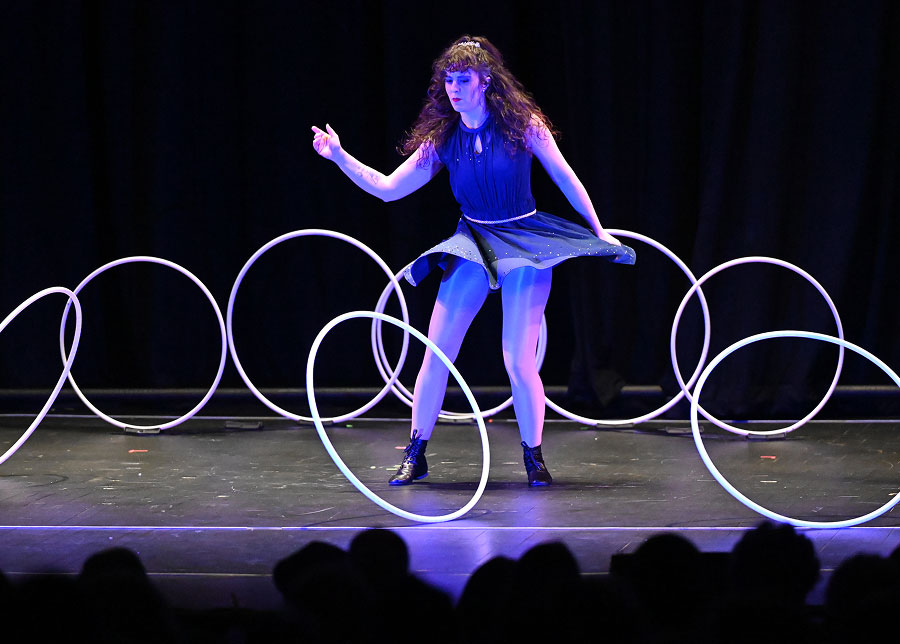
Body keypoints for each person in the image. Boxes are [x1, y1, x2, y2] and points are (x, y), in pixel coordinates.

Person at [312, 36, 634, 487]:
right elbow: (388, 189)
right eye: (448, 80)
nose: (454, 88)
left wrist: (597, 230)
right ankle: (416, 453)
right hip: (473, 242)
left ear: (485, 81)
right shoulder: (443, 139)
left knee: (518, 360)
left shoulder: (523, 126)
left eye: (463, 80)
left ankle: (534, 456)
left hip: (525, 240)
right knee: (436, 353)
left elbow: (566, 177)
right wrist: (339, 157)